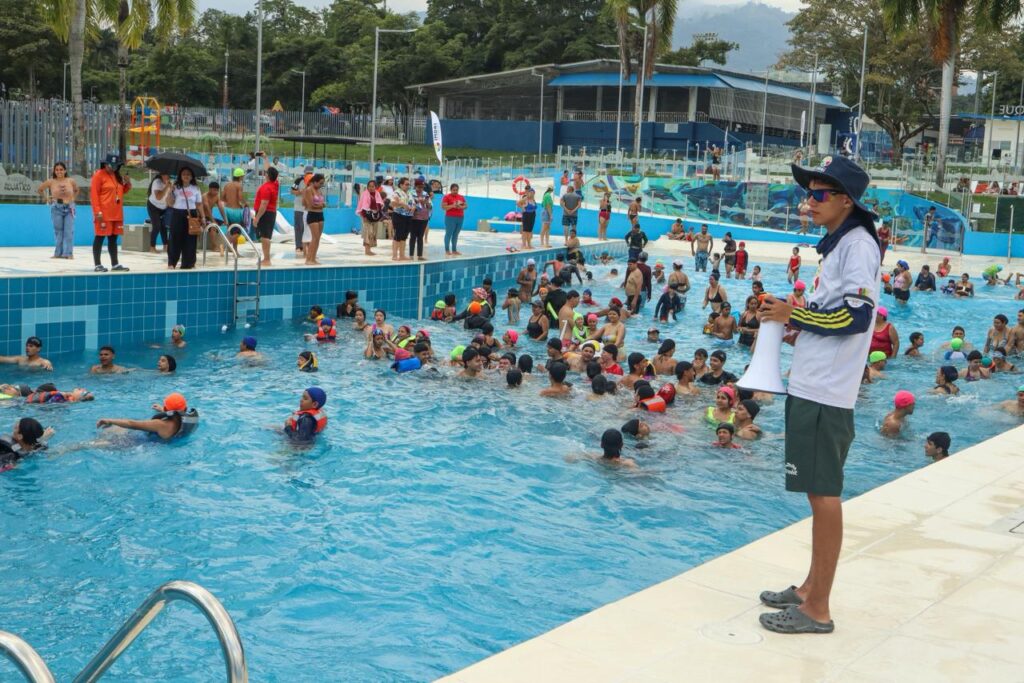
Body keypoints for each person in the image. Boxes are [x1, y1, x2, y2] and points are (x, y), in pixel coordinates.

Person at [757, 155, 881, 635]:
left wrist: (794, 315)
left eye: (818, 194)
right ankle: (810, 588)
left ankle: (819, 609)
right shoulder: (840, 244)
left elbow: (857, 317)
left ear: (846, 200)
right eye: (807, 193)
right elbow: (832, 313)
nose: (808, 202)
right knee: (815, 490)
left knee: (824, 495)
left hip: (827, 392)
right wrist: (797, 327)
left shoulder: (858, 245)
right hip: (814, 382)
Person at [90, 153, 132, 272]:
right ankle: (97, 265)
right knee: (100, 237)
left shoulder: (116, 176)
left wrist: (127, 183)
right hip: (104, 213)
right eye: (110, 165)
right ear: (105, 164)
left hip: (116, 213)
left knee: (113, 239)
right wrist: (97, 212)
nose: (112, 167)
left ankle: (115, 264)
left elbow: (121, 191)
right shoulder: (98, 175)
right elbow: (94, 195)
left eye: (115, 165)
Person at [97, 392, 198, 441]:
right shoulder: (188, 420)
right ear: (185, 409)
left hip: (142, 443)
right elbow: (176, 414)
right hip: (167, 443)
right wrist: (163, 410)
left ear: (167, 409)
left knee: (114, 430)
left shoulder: (160, 424)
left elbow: (132, 424)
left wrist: (110, 420)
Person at [167, 167, 207, 270]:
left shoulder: (196, 188)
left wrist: (203, 217)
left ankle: (188, 263)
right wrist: (170, 191)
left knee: (190, 239)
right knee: (174, 239)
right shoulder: (176, 187)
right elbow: (170, 203)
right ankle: (172, 263)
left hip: (192, 215)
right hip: (177, 213)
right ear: (180, 176)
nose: (186, 176)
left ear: (192, 176)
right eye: (184, 174)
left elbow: (199, 204)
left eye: (188, 174)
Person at [38, 161, 80, 259]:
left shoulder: (71, 181)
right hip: (57, 208)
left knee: (69, 231)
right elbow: (40, 189)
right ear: (54, 171)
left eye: (61, 169)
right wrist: (47, 198)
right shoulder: (51, 181)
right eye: (57, 170)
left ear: (65, 171)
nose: (59, 171)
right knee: (58, 231)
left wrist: (73, 198)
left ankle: (68, 253)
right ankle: (58, 253)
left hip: (69, 207)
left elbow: (77, 190)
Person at [252, 166, 280, 267]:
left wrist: (257, 218)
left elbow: (264, 204)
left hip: (265, 214)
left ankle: (267, 259)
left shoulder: (266, 188)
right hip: (271, 213)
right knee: (266, 236)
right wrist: (265, 159)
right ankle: (266, 258)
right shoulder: (275, 184)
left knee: (265, 237)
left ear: (267, 175)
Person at [301, 174, 326, 265]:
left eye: (322, 183)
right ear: (315, 182)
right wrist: (321, 205)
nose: (321, 185)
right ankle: (308, 259)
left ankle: (313, 258)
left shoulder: (319, 191)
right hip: (312, 215)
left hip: (320, 215)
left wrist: (320, 205)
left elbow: (322, 204)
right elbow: (311, 205)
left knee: (318, 239)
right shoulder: (308, 190)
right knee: (314, 238)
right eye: (320, 183)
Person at [441, 183, 467, 256]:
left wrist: (460, 207)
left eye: (456, 190)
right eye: (454, 190)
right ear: (451, 190)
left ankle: (454, 250)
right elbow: (443, 207)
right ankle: (447, 250)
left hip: (460, 217)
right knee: (448, 233)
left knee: (456, 234)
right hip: (450, 218)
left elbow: (466, 206)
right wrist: (453, 205)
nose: (455, 191)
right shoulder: (447, 197)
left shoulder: (461, 197)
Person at [409, 178, 431, 261]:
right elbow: (410, 203)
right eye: (419, 187)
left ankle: (420, 255)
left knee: (420, 237)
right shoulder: (411, 193)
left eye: (422, 187)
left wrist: (426, 202)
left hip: (424, 217)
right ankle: (411, 255)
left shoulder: (426, 194)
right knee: (413, 237)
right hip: (414, 217)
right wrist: (417, 201)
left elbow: (430, 206)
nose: (421, 189)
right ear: (415, 186)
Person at [290, 169, 309, 258]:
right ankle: (298, 246)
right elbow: (292, 191)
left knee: (306, 228)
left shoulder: (313, 181)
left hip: (308, 207)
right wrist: (300, 192)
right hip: (298, 207)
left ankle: (306, 245)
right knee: (298, 227)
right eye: (307, 173)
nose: (308, 174)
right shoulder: (298, 180)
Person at [517, 186, 538, 250]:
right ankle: (524, 245)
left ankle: (529, 244)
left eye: (533, 193)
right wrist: (522, 208)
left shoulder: (533, 200)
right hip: (526, 215)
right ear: (528, 193)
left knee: (530, 231)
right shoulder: (525, 198)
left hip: (532, 216)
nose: (531, 194)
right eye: (530, 193)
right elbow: (518, 203)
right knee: (525, 230)